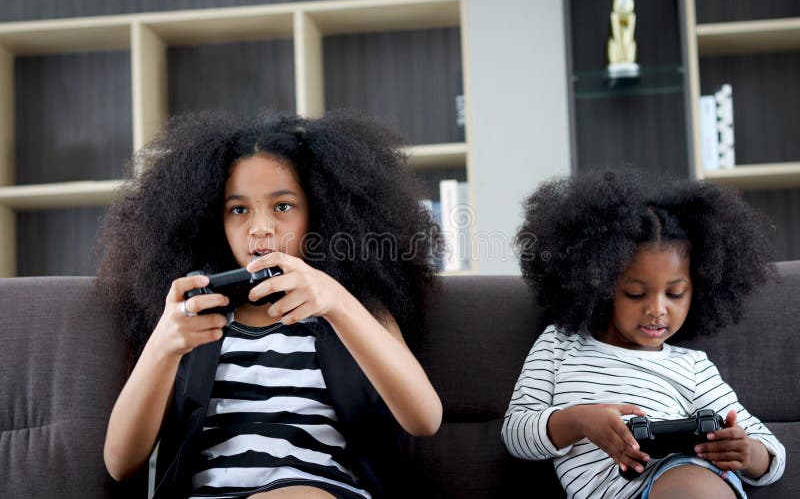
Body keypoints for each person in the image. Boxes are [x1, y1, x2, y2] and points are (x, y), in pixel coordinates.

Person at [96, 110, 443, 499]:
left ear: (320, 213)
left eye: (282, 206)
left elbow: (424, 419)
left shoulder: (355, 310)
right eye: (239, 210)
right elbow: (120, 462)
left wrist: (337, 303)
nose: (260, 227)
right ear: (214, 222)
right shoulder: (192, 324)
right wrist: (163, 343)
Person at [502, 168, 786, 499]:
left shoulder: (692, 366)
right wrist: (579, 421)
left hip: (677, 475)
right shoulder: (559, 344)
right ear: (601, 285)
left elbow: (770, 451)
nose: (657, 309)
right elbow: (516, 433)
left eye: (675, 294)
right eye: (636, 294)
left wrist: (748, 454)